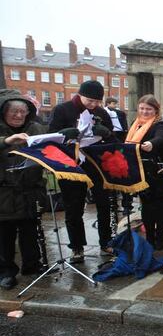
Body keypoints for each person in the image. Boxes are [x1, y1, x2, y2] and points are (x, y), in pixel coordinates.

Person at [49, 80, 117, 262]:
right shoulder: (62, 110)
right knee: (73, 206)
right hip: (71, 164)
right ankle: (77, 247)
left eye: (97, 101)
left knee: (103, 203)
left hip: (96, 164)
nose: (93, 105)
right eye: (90, 101)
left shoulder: (102, 113)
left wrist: (106, 133)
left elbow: (114, 141)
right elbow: (50, 137)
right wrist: (63, 133)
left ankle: (106, 241)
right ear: (80, 95)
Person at [0, 90, 47, 290]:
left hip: (29, 190)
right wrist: (6, 141)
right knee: (5, 236)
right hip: (4, 193)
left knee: (30, 232)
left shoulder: (35, 127)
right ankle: (6, 272)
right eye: (14, 112)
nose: (19, 116)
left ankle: (32, 266)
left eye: (23, 112)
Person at [126, 95, 163, 251]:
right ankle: (149, 237)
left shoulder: (161, 123)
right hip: (143, 171)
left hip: (160, 172)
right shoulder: (136, 124)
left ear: (156, 110)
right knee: (146, 206)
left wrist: (151, 143)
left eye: (149, 109)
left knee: (161, 206)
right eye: (142, 108)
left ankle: (160, 235)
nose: (145, 111)